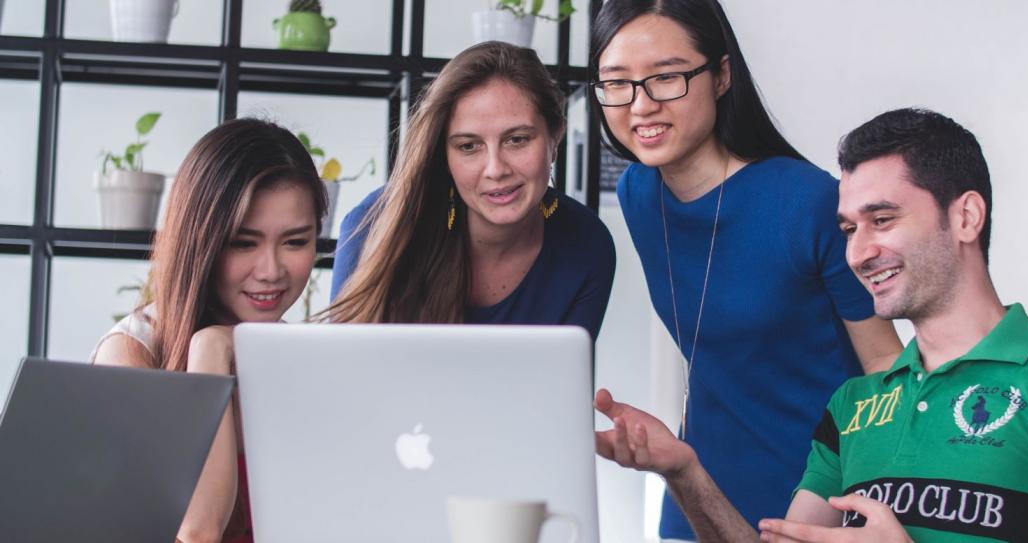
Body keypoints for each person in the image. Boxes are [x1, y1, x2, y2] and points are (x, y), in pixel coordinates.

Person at [595, 108, 1028, 542]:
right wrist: (686, 471)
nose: (858, 252)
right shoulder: (851, 407)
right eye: (849, 228)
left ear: (966, 217)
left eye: (883, 220)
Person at [589, 0, 902, 537]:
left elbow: (886, 368)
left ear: (722, 75)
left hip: (820, 496)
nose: (639, 106)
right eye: (617, 83)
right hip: (699, 492)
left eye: (666, 78)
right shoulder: (638, 193)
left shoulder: (805, 202)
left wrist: (868, 498)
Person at [91, 118, 328, 543]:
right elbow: (198, 531)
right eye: (243, 243)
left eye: (295, 242)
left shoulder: (295, 356)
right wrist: (210, 352)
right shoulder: (132, 353)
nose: (271, 271)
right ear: (201, 241)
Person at [328, 41, 616, 338]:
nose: (495, 169)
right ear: (444, 155)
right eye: (469, 146)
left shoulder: (588, 245)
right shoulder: (374, 226)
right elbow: (343, 374)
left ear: (554, 137)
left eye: (517, 139)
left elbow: (564, 380)